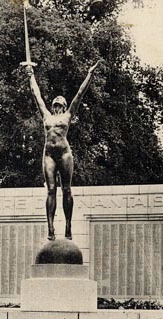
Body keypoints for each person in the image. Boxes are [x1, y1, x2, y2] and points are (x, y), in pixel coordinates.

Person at [24, 61, 100, 241]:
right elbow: (36, 94)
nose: (57, 107)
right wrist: (31, 75)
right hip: (49, 154)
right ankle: (50, 228)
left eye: (59, 105)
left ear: (64, 107)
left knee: (66, 189)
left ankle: (68, 225)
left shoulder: (68, 116)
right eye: (55, 105)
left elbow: (80, 94)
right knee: (51, 190)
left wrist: (89, 74)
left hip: (65, 154)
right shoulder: (46, 116)